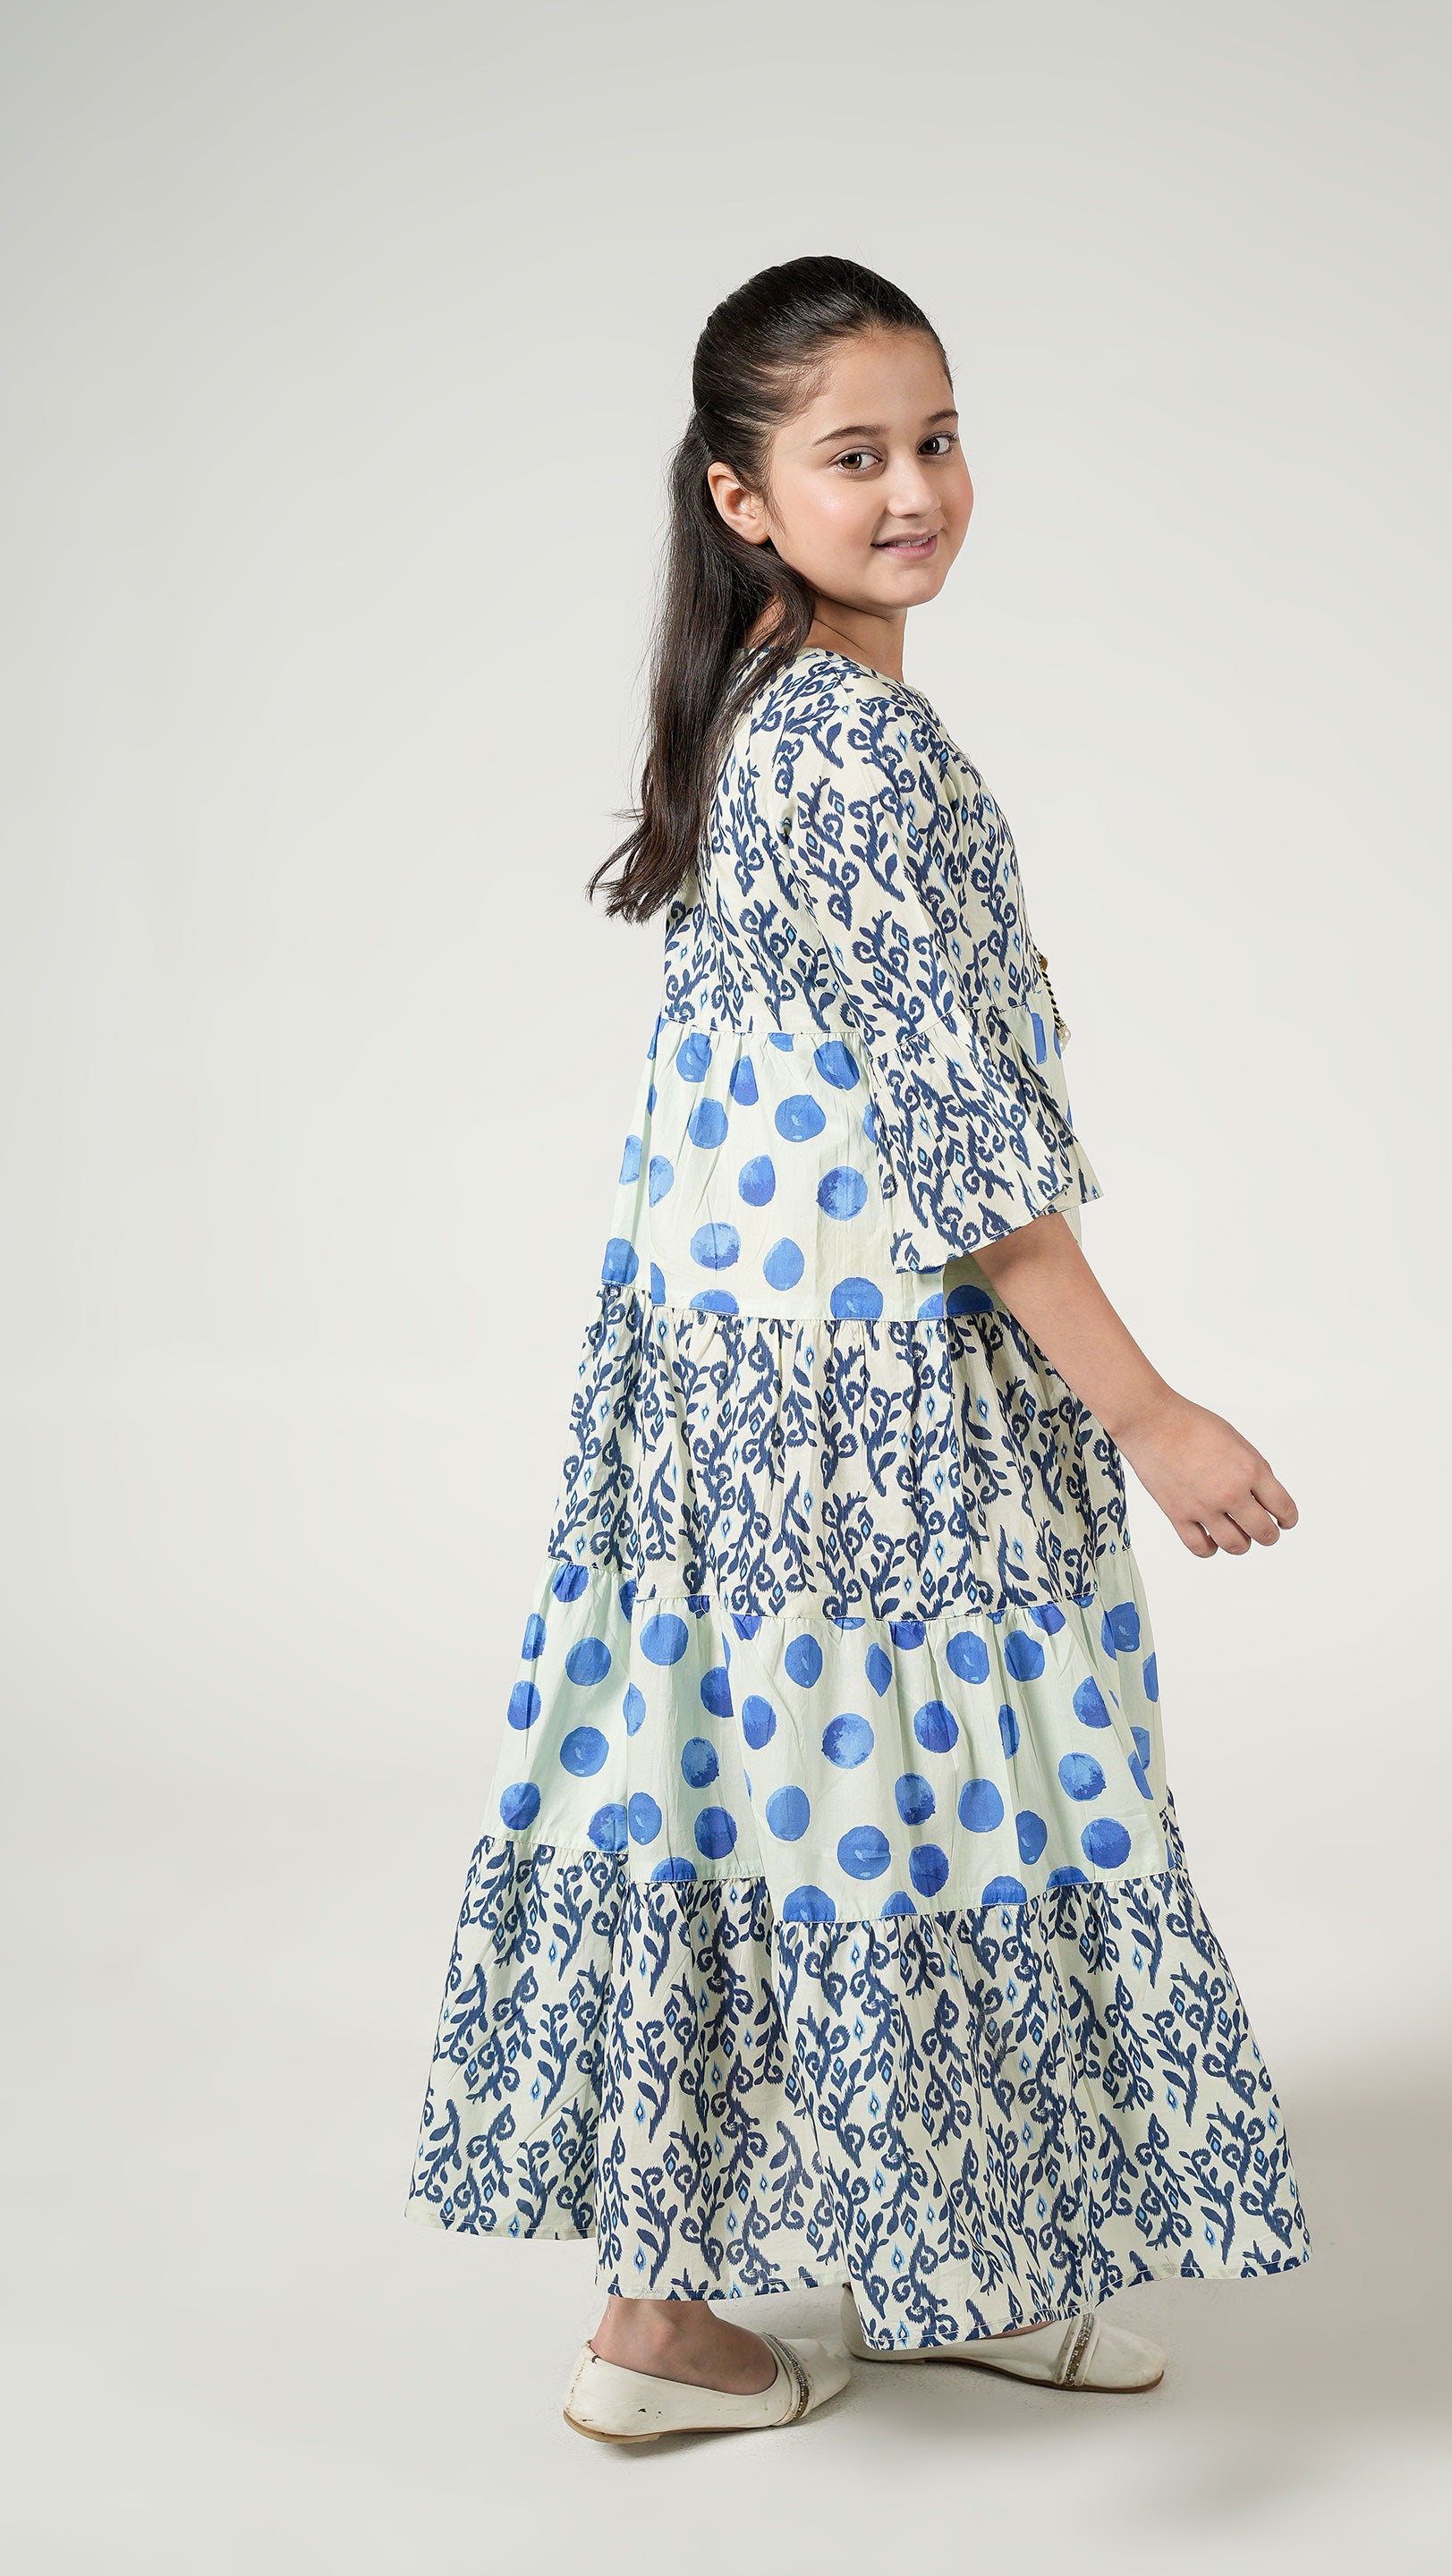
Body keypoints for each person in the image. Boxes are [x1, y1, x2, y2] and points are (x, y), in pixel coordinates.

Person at [405, 253, 1312, 2444]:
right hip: (869, 1402)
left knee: (772, 1789)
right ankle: (788, 2294)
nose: (915, 490)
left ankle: (768, 2299)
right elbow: (966, 1147)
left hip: (733, 1389)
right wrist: (1152, 1412)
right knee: (928, 1795)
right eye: (853, 456)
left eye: (938, 438)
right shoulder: (860, 747)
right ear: (743, 496)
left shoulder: (764, 717)